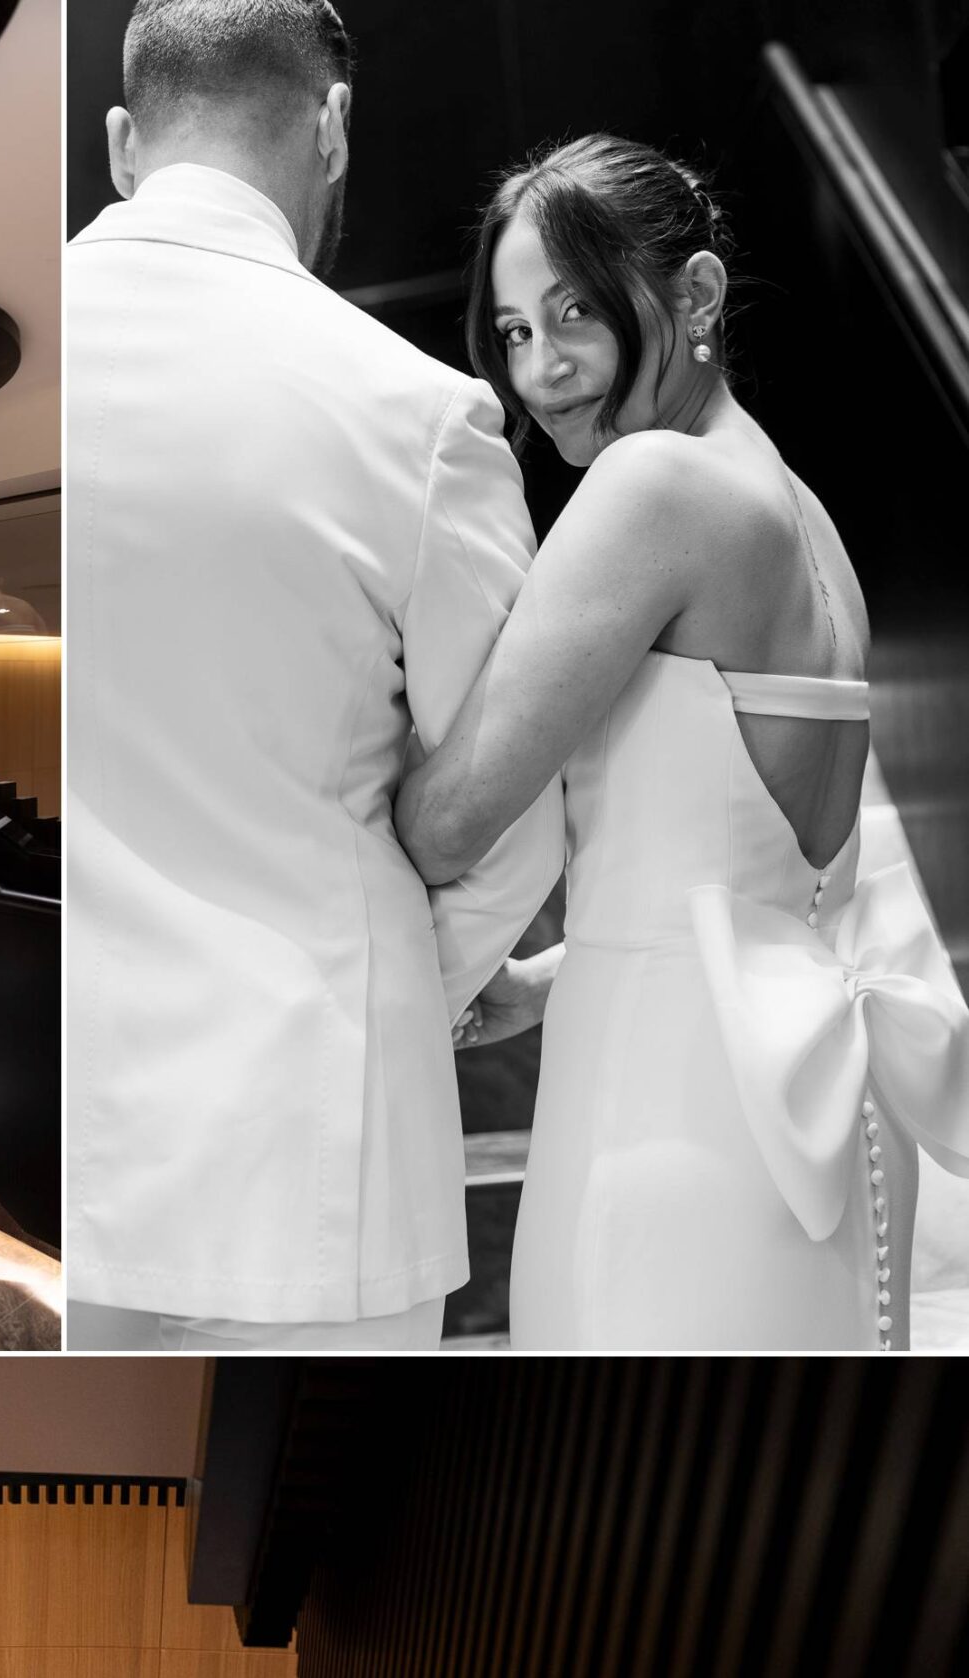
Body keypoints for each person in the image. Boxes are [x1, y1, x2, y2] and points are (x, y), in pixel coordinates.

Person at [396, 138, 969, 1349]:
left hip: (671, 1115)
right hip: (810, 1108)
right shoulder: (804, 519)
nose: (542, 371)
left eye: (573, 315)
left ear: (696, 296)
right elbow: (772, 883)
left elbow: (447, 818)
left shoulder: (653, 486)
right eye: (509, 333)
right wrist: (542, 981)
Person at [65, 0, 563, 1351]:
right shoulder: (414, 414)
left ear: (122, 142)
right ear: (332, 127)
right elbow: (513, 807)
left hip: (54, 1152)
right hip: (315, 1150)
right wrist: (425, 994)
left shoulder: (5, 367)